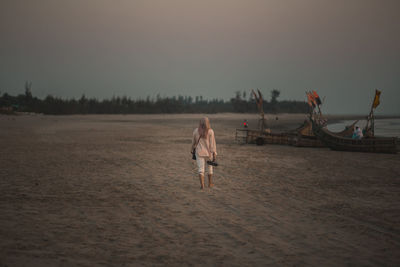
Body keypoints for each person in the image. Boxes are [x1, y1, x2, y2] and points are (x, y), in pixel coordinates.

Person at [191, 117, 217, 189]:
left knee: (200, 169)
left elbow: (193, 142)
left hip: (199, 152)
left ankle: (202, 185)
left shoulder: (196, 131)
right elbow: (212, 144)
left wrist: (192, 149)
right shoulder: (211, 131)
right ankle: (210, 184)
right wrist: (214, 153)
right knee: (210, 168)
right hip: (209, 153)